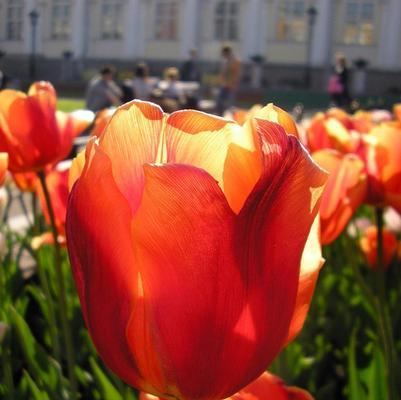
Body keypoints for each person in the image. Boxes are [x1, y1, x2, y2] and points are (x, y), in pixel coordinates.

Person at [216, 45, 241, 115]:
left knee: (227, 103)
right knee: (220, 102)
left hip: (230, 86)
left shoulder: (235, 61)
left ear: (227, 53)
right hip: (224, 85)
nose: (223, 55)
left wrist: (234, 84)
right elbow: (222, 73)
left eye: (223, 54)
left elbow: (236, 74)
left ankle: (230, 116)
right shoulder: (226, 61)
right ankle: (220, 115)